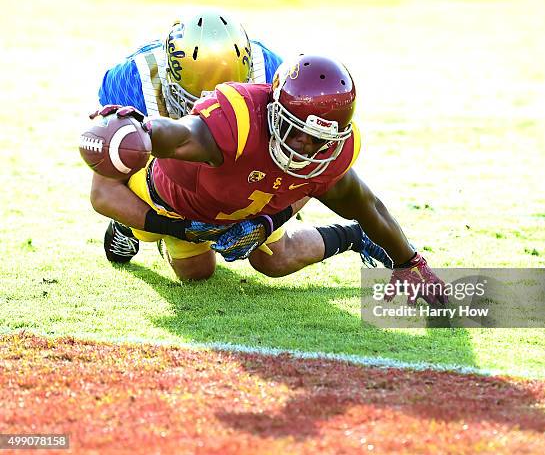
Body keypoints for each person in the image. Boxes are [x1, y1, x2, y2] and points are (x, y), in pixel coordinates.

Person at [89, 54, 446, 305]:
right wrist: (144, 130)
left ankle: (355, 237)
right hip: (175, 202)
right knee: (196, 273)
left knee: (276, 261)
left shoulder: (328, 156)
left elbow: (366, 205)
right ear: (275, 110)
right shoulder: (241, 119)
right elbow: (181, 135)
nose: (303, 147)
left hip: (249, 203)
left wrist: (410, 263)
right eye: (294, 131)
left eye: (318, 139)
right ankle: (131, 229)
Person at [90, 8, 284, 264]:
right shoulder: (133, 81)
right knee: (196, 269)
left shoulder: (272, 73)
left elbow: (301, 168)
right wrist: (177, 229)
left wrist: (269, 217)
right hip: (165, 174)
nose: (212, 117)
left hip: (239, 166)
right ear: (169, 76)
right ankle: (128, 227)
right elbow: (103, 192)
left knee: (274, 255)